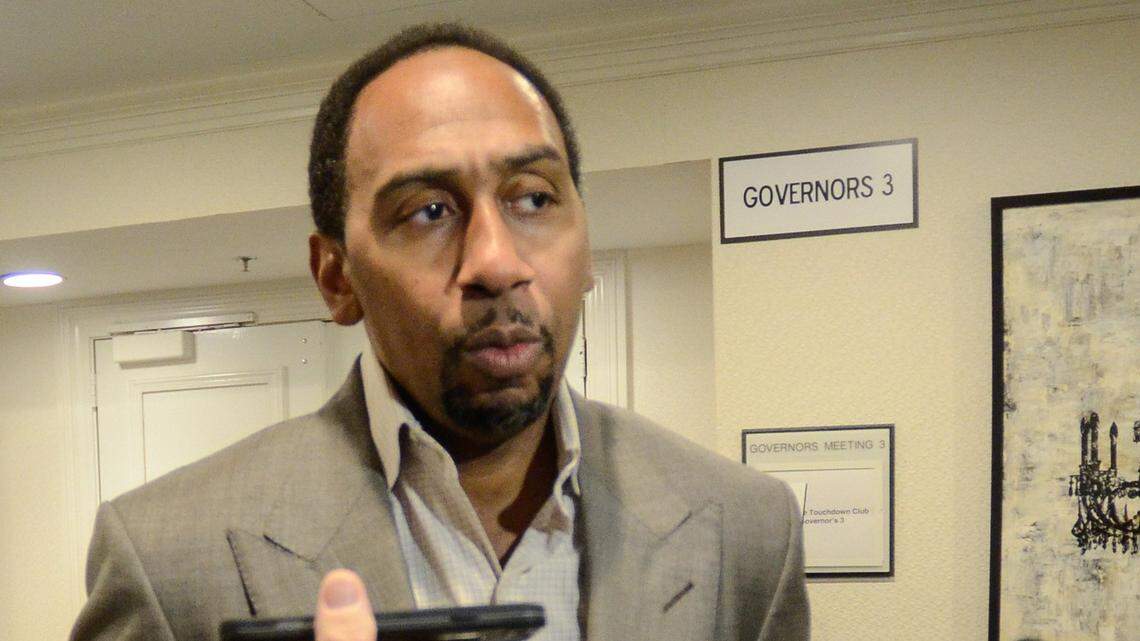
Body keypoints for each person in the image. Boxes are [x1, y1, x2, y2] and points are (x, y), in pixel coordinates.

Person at [70, 23, 808, 641]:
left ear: (585, 246)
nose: (495, 260)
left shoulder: (745, 532)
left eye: (533, 197)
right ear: (336, 277)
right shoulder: (166, 559)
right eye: (428, 211)